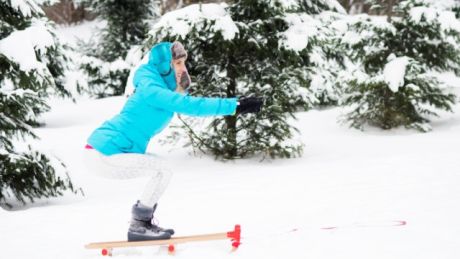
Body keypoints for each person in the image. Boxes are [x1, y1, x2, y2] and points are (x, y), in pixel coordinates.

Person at [84, 41, 263, 242]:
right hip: (103, 151)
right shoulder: (149, 86)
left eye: (184, 62)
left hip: (115, 150)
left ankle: (141, 224)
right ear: (164, 64)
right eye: (177, 63)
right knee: (162, 170)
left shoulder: (160, 87)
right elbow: (187, 105)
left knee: (163, 171)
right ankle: (139, 226)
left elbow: (176, 99)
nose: (183, 67)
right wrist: (235, 106)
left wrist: (180, 87)